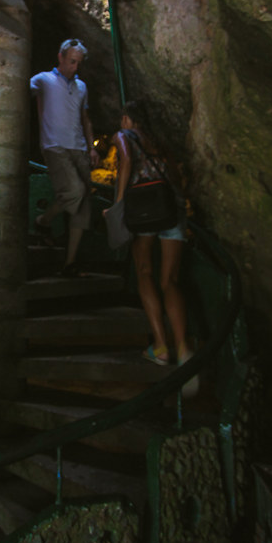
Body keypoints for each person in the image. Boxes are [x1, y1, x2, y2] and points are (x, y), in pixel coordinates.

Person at [113, 100, 195, 375]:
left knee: (144, 270)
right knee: (170, 280)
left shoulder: (123, 135)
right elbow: (175, 176)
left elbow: (125, 160)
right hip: (172, 208)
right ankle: (184, 347)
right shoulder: (160, 140)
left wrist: (120, 203)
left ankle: (160, 347)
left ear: (126, 119)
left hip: (144, 209)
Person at [30, 38, 99, 276]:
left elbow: (85, 119)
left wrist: (91, 147)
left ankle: (69, 263)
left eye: (79, 63)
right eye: (71, 61)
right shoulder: (42, 80)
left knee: (82, 206)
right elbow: (17, 93)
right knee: (76, 191)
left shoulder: (82, 86)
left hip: (79, 148)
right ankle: (43, 222)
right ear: (60, 57)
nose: (75, 67)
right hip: (54, 146)